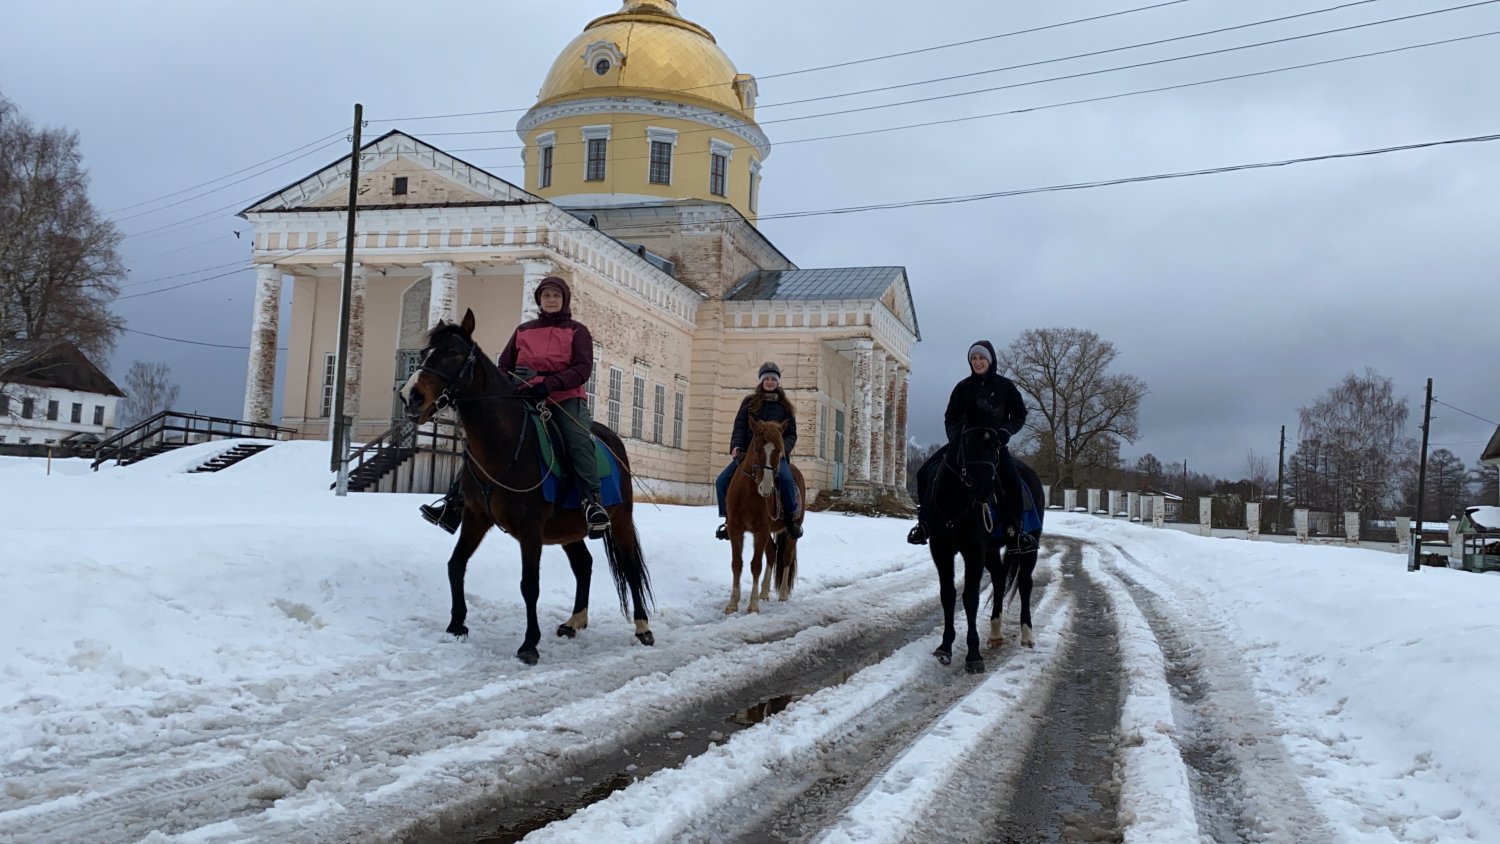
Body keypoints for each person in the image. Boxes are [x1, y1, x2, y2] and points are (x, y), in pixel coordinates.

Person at [420, 277, 610, 538]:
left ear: (564, 300)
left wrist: (549, 384)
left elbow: (582, 368)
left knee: (577, 441)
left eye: (556, 295)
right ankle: (455, 501)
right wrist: (509, 386)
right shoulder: (523, 331)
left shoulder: (578, 331)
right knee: (485, 440)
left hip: (564, 399)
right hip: (524, 396)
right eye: (546, 296)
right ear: (539, 300)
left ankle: (592, 503)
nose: (551, 300)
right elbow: (503, 367)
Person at [906, 341, 1031, 548]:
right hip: (963, 446)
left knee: (1012, 481)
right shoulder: (962, 388)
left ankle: (1015, 530)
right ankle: (924, 525)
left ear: (990, 360)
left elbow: (1019, 415)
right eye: (974, 358)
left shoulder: (1005, 387)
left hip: (993, 447)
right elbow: (951, 417)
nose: (978, 362)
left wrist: (1005, 432)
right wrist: (956, 439)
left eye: (982, 358)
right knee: (924, 473)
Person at [714, 361, 803, 540]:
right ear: (761, 381)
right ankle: (728, 520)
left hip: (776, 455)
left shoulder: (785, 406)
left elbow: (791, 433)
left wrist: (782, 449)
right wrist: (736, 447)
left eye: (773, 379)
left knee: (786, 480)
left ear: (778, 382)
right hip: (750, 455)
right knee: (722, 481)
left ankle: (790, 520)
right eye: (766, 378)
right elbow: (739, 427)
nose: (770, 382)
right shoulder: (749, 403)